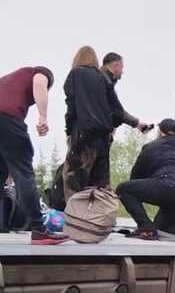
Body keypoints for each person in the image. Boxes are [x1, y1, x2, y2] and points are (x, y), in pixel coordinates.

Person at [0, 66, 69, 244]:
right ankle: (39, 229)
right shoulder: (38, 73)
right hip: (7, 119)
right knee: (24, 174)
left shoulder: (7, 80)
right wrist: (43, 117)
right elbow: (39, 82)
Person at [116, 119, 175, 246]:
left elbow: (135, 178)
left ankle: (145, 228)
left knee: (124, 189)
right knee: (164, 228)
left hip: (169, 185)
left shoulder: (152, 146)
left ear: (161, 132)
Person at [63, 46, 122, 200]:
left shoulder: (75, 74)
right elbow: (116, 110)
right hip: (103, 138)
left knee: (73, 179)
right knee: (100, 184)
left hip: (83, 136)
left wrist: (69, 131)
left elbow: (71, 107)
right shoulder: (103, 78)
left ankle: (75, 218)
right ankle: (99, 219)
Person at [100, 52, 151, 133]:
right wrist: (136, 123)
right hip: (97, 132)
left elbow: (117, 109)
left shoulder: (104, 80)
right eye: (122, 68)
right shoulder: (104, 82)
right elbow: (116, 110)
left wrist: (137, 123)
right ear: (115, 65)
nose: (122, 72)